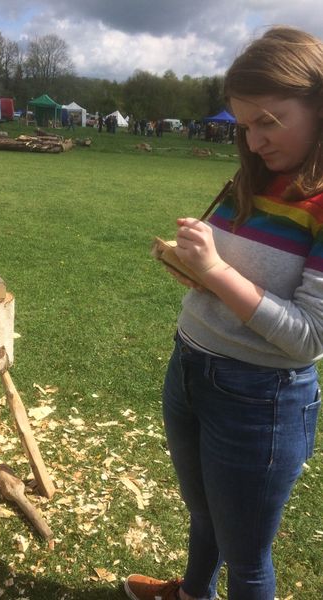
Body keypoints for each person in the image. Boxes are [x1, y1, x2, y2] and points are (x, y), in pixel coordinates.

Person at [124, 26, 322, 600]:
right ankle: (192, 594)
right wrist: (192, 260)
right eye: (245, 126)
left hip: (260, 397)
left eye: (269, 121)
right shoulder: (252, 176)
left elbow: (309, 338)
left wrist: (214, 271)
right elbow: (235, 280)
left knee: (248, 560)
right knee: (204, 513)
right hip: (190, 367)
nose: (255, 140)